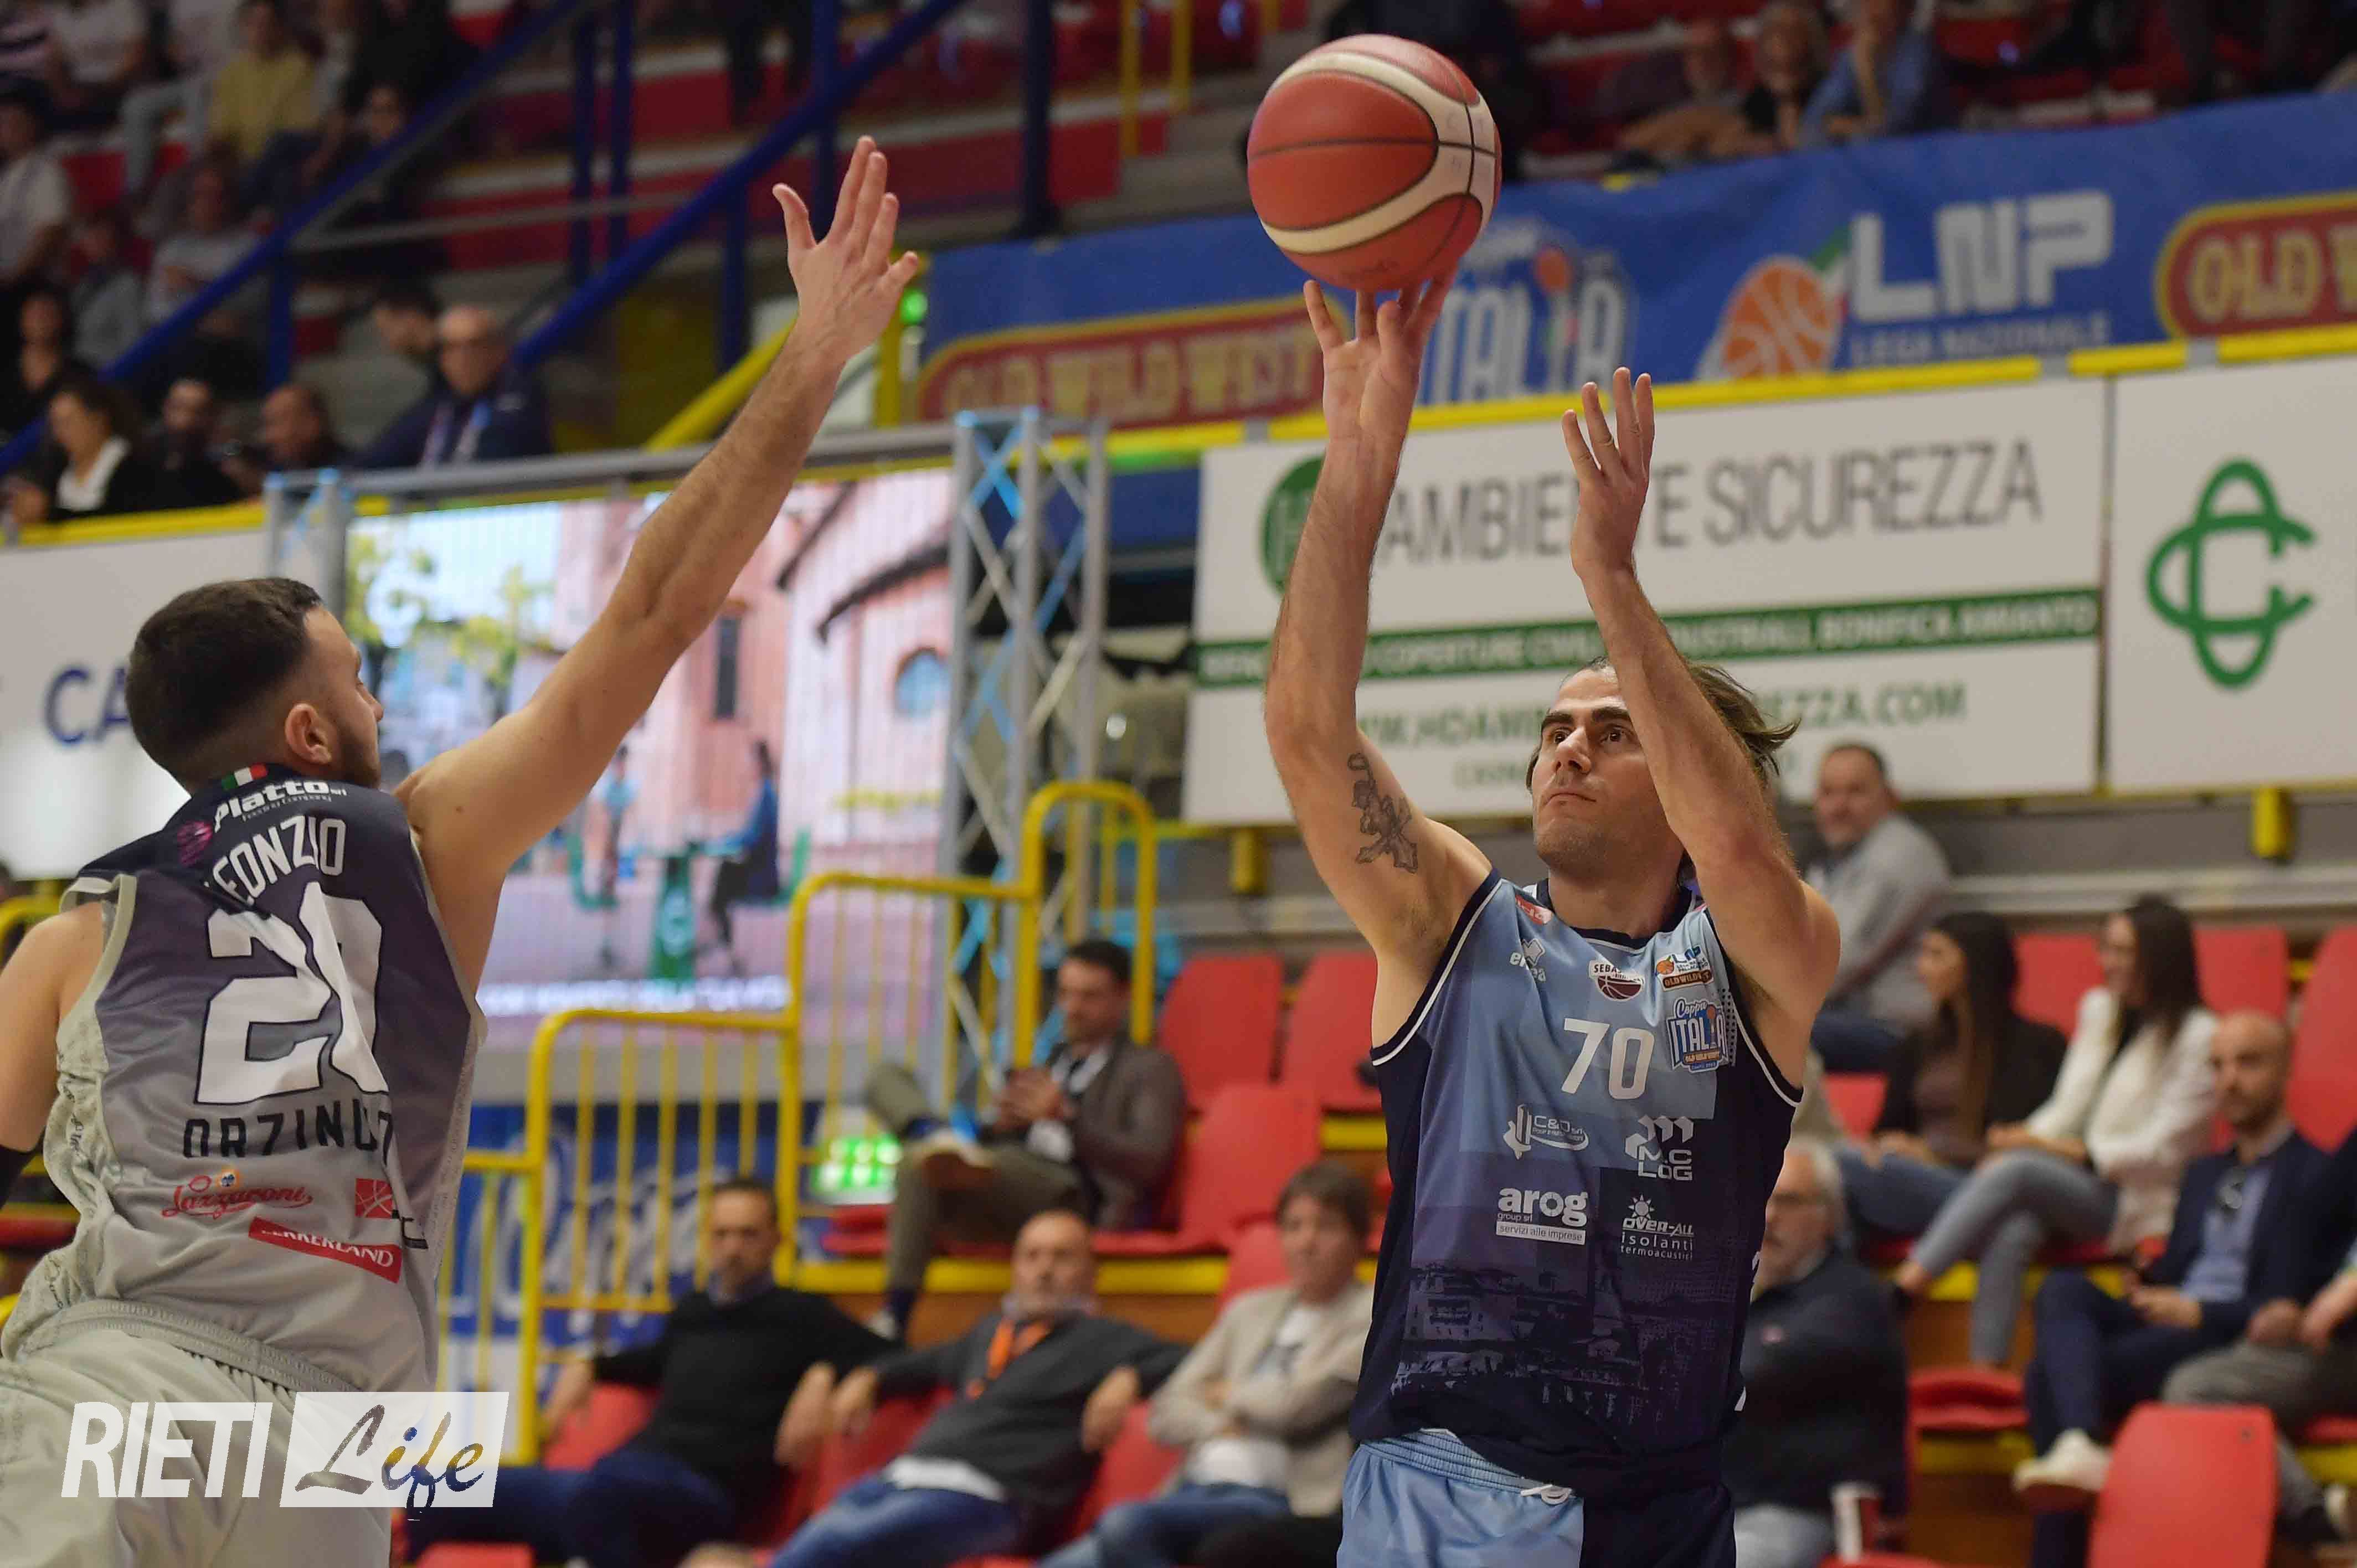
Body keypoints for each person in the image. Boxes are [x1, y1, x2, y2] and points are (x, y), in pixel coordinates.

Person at [0, 140, 920, 1563]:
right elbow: (655, 610)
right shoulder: (427, 842)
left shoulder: (74, 937)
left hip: (107, 1399)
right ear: (310, 731)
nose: (382, 709)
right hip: (337, 1439)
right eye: (361, 684)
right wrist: (812, 361)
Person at [1262, 272, 1841, 1564]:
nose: (1568, 748)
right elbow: (1306, 734)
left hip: (1660, 1511)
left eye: (1614, 729)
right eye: (1555, 729)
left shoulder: (1759, 956)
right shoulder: (1453, 921)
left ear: (1686, 773)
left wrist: (1610, 581)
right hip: (1441, 1492)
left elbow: (1739, 845)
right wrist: (1357, 464)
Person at [403, 1178, 892, 1568]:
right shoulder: (694, 1311)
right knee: (436, 1488)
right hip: (625, 1482)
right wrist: (589, 1364)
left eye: (748, 1234)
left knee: (602, 1493)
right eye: (721, 1234)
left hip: (706, 1497)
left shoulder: (803, 1316)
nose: (733, 1247)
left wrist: (829, 1372)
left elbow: (894, 1355)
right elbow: (650, 1362)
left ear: (777, 1240)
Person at [687, 1210, 1192, 1568]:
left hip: (989, 1501)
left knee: (839, 1539)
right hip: (902, 1481)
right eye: (1032, 1256)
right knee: (804, 1537)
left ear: (1090, 1271)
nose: (1044, 1270)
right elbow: (915, 1363)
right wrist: (867, 1378)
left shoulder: (1106, 1339)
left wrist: (1130, 1376)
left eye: (1062, 1257)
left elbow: (1190, 1359)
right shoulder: (990, 1332)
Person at [2009, 1013, 2321, 1568]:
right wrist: (2149, 1279)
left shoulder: (2315, 1175)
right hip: (2170, 1318)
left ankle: (2065, 1512)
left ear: (2285, 1069)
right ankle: (2080, 1442)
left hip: (2226, 1335)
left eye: (2247, 1064)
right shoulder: (2203, 1173)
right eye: (2218, 1066)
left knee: (2044, 1377)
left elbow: (2287, 1303)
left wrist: (2197, 1310)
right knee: (2062, 1287)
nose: (2228, 1081)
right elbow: (2179, 1266)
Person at [1893, 896, 2217, 1366]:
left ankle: (1906, 1289)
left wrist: (2064, 1151)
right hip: (2079, 1182)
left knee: (2019, 1170)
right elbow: (2069, 1104)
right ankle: (1988, 1372)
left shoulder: (2199, 1035)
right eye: (2106, 948)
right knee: (2014, 1227)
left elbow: (2164, 1149)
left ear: (2160, 958)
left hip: (2137, 1198)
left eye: (2123, 952)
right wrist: (2025, 1136)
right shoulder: (2101, 1009)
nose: (2108, 962)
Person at [1042, 1162, 1376, 1568]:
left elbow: (1298, 1407)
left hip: (1279, 1499)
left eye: (1326, 1227)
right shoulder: (1248, 1311)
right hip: (1195, 1489)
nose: (1306, 1242)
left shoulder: (1372, 1316)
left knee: (1124, 1526)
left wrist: (1226, 1394)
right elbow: (1166, 1410)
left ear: (1359, 1238)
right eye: (1293, 1226)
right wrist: (1219, 1425)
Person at [866, 937, 1185, 1341]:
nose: (1072, 1007)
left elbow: (1149, 1161)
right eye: (1066, 993)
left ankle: (896, 1314)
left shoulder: (1149, 1067)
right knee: (889, 1088)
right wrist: (1001, 1125)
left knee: (934, 1160)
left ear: (1123, 997)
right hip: (1006, 1180)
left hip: (1073, 1192)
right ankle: (932, 1134)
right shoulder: (1055, 1061)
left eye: (1089, 996)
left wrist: (1067, 1118)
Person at [1726, 1141, 1907, 1568]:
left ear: (1829, 1217)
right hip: (1710, 1504)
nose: (1769, 1216)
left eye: (1788, 1202)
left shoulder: (1854, 1299)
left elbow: (1751, 1370)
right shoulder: (1732, 1289)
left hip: (1795, 1512)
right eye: (1759, 1198)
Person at [1836, 912, 2067, 1244]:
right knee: (1827, 1179)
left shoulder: (2036, 1045)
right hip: (1915, 1180)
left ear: (1975, 964)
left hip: (1984, 1186)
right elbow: (1887, 1130)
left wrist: (1930, 1155)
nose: (1921, 968)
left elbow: (2016, 1144)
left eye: (1936, 955)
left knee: (1842, 1169)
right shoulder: (1917, 1045)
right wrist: (1886, 1146)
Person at [1804, 742, 1951, 1073]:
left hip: (1897, 1030)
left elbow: (1838, 964)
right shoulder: (1844, 856)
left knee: (1756, 1032)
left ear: (1890, 798)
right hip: (1848, 1018)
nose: (1838, 806)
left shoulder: (1896, 857)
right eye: (1828, 792)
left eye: (1855, 792)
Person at [356, 302, 554, 468]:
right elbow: (376, 458)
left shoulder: (520, 399)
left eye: (473, 345)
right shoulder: (438, 407)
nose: (462, 358)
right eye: (451, 348)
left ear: (498, 350)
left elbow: (495, 459)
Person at [8, 367, 166, 523]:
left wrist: (49, 514)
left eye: (68, 422)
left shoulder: (137, 469)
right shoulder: (54, 475)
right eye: (55, 425)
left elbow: (121, 519)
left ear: (98, 420)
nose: (59, 434)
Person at [1802, 0, 1954, 142]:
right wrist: (1855, 127)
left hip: (1930, 153)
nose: (1872, 9)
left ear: (1905, 9)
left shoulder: (1918, 54)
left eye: (1882, 2)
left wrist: (1866, 73)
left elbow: (1890, 133)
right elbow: (1813, 123)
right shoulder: (1852, 53)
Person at [1707, 0, 1829, 160]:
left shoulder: (1833, 99)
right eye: (1774, 32)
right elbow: (1719, 146)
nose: (1784, 41)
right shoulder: (1752, 106)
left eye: (1794, 32)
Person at [701, 735, 780, 972]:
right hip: (758, 869)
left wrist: (729, 842)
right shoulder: (763, 793)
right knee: (724, 876)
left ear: (759, 764)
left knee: (724, 880)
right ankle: (724, 942)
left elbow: (755, 839)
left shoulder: (767, 796)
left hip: (763, 877)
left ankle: (722, 941)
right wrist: (730, 839)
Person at [205, 0, 316, 168]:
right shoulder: (230, 72)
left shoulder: (299, 67)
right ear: (243, 28)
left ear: (280, 28)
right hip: (237, 163)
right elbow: (220, 131)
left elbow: (299, 131)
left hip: (280, 162)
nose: (260, 31)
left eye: (267, 24)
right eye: (253, 24)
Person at [41, 0, 150, 131]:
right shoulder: (59, 13)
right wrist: (61, 89)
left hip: (121, 83)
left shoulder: (122, 5)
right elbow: (56, 59)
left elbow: (137, 54)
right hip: (81, 87)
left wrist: (107, 85)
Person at [0, 282, 90, 431]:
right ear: (21, 318)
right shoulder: (5, 379)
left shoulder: (82, 375)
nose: (41, 320)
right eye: (35, 313)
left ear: (62, 319)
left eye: (48, 313)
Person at [66, 205, 143, 367]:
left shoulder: (127, 284)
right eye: (90, 234)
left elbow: (131, 342)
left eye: (101, 236)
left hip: (103, 370)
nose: (93, 241)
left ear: (117, 241)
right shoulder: (84, 282)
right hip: (74, 367)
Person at [151, 374, 243, 506]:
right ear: (165, 407)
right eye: (178, 408)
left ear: (213, 417)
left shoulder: (227, 472)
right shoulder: (139, 463)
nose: (185, 421)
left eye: (198, 412)